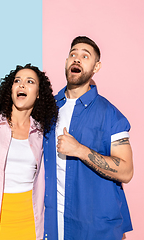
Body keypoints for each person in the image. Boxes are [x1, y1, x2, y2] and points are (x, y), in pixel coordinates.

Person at [43, 36, 134, 240]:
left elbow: (127, 171)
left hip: (95, 229)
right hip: (53, 224)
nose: (77, 59)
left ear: (96, 67)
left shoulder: (111, 115)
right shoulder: (47, 109)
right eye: (73, 54)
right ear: (66, 62)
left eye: (85, 56)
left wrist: (79, 150)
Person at [0, 64, 58, 240]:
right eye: (17, 81)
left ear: (38, 93)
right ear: (11, 89)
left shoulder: (41, 132)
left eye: (30, 81)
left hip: (32, 219)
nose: (22, 85)